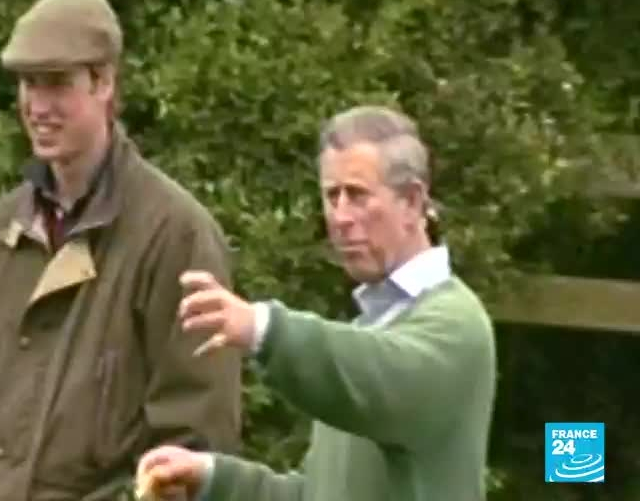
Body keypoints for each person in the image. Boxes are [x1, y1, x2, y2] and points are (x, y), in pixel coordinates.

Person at [0, 0, 243, 501]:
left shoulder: (175, 236)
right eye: (28, 84)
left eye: (57, 83)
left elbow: (194, 441)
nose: (38, 106)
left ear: (104, 83)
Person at [136, 106, 497, 501]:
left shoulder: (455, 326)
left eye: (357, 195)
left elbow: (381, 379)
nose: (340, 217)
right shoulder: (367, 333)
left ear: (412, 202)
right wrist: (212, 478)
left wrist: (265, 328)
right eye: (331, 195)